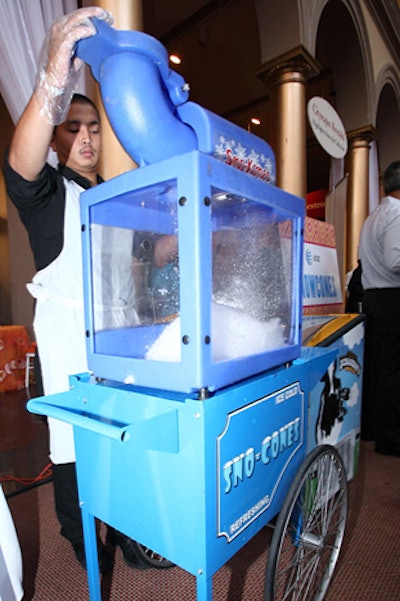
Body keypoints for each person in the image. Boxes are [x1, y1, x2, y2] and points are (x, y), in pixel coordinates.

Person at [3, 7, 150, 571]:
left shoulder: (117, 195)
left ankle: (134, 528)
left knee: (128, 441)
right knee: (73, 453)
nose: (87, 137)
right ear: (57, 135)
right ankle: (85, 544)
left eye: (94, 127)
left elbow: (147, 258)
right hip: (70, 344)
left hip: (122, 339)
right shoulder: (47, 196)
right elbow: (19, 164)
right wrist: (53, 80)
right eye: (74, 127)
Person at [358, 160, 400, 457]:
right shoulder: (397, 214)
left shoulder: (374, 215)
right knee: (393, 371)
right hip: (392, 298)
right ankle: (391, 439)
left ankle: (372, 429)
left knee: (376, 367)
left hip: (373, 296)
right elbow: (395, 261)